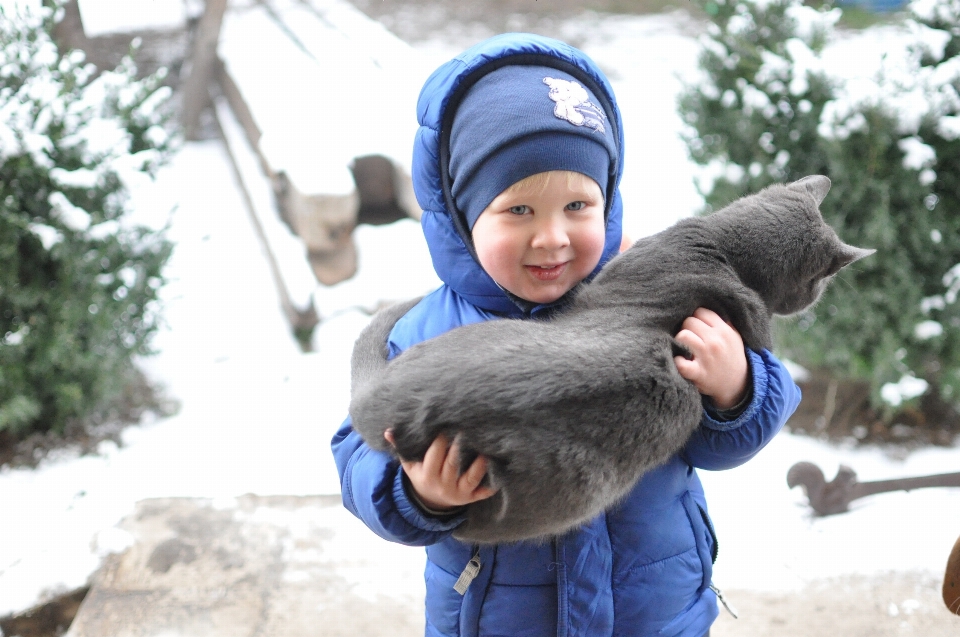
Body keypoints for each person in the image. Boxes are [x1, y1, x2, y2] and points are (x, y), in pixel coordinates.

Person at [332, 33, 801, 637]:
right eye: (518, 211)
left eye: (578, 206)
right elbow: (357, 457)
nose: (552, 237)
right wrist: (417, 493)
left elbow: (724, 447)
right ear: (460, 213)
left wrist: (736, 389)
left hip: (654, 616)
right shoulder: (425, 337)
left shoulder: (655, 302)